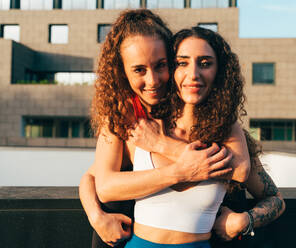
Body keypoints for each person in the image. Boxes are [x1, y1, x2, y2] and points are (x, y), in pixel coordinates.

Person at [79, 9, 251, 248]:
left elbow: (241, 170)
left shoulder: (210, 115)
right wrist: (96, 216)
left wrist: (162, 145)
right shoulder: (125, 117)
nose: (153, 81)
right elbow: (97, 180)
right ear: (122, 72)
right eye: (139, 70)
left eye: (161, 65)